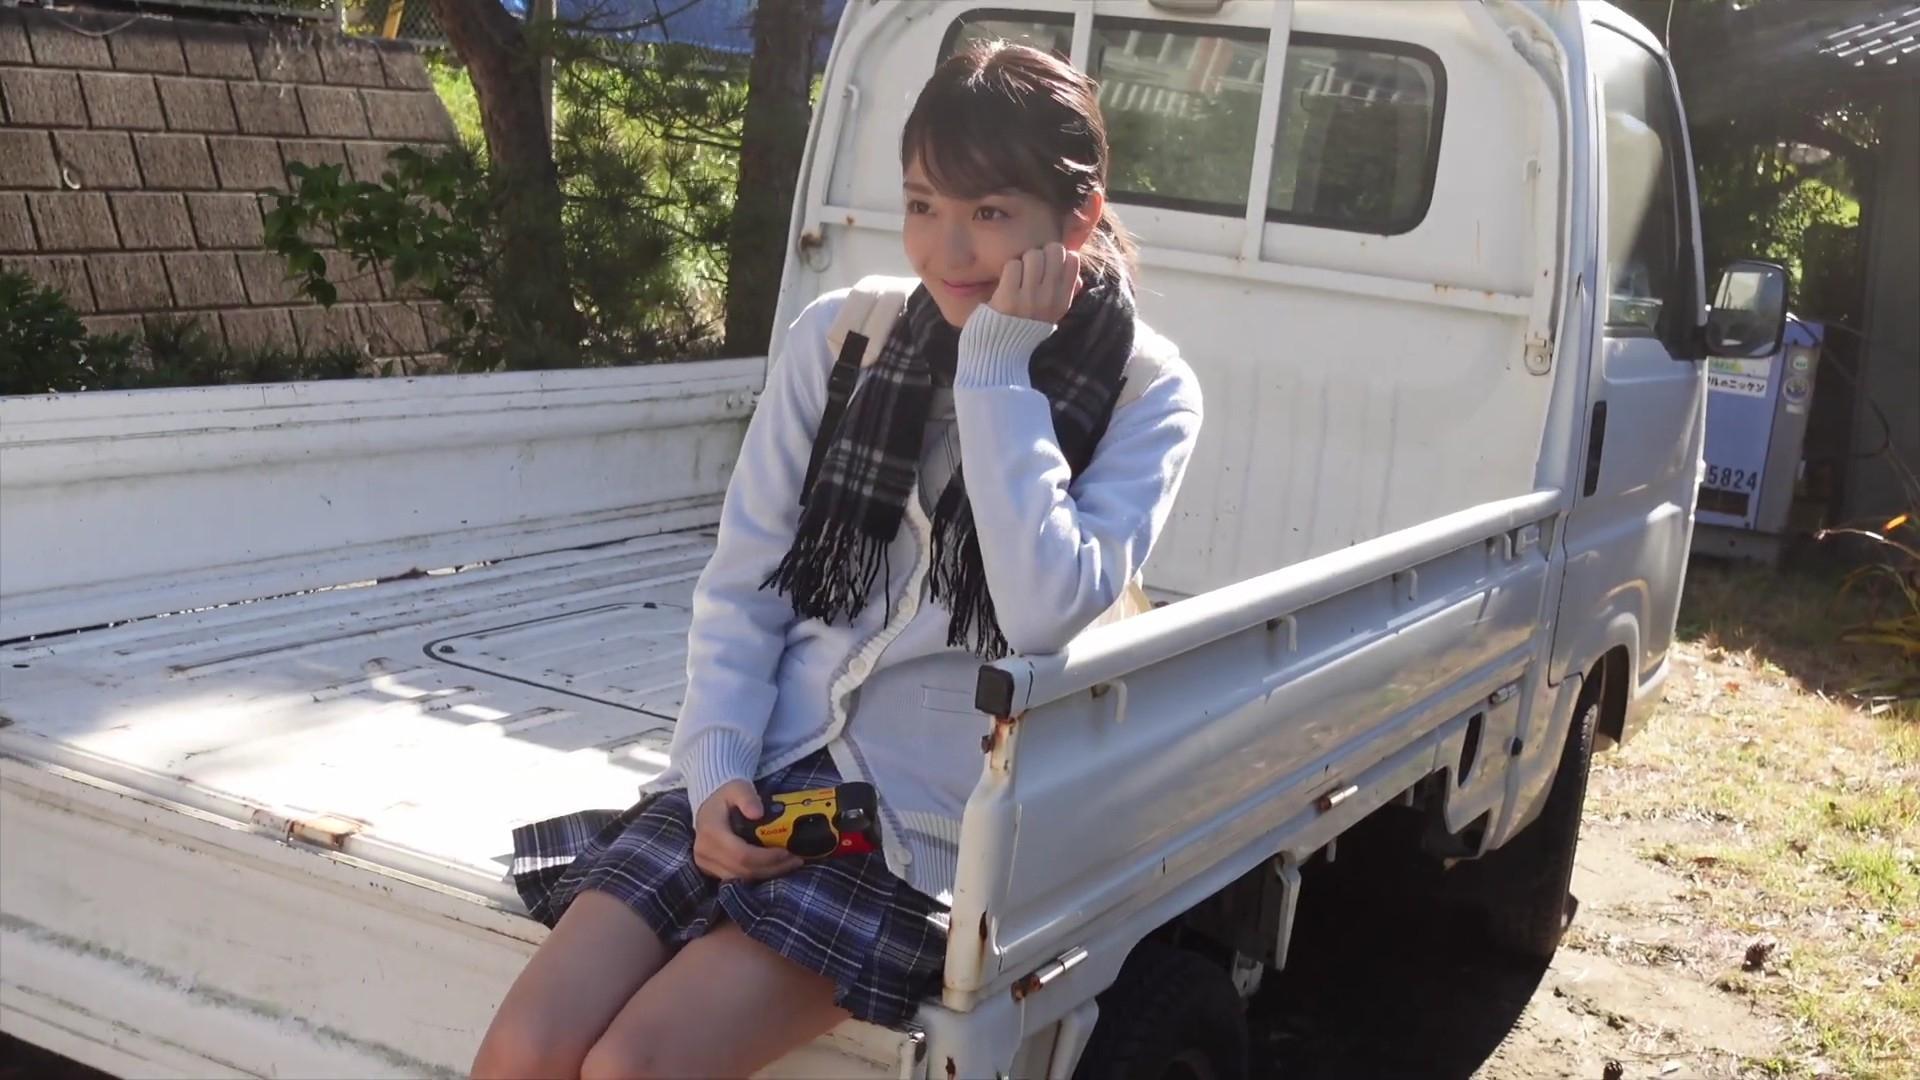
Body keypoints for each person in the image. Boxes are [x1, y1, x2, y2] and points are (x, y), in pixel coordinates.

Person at [471, 40, 1203, 1080]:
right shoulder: (845, 338)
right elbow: (747, 583)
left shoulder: (1145, 389)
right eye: (922, 205)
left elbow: (1046, 611)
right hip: (760, 771)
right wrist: (717, 769)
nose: (947, 247)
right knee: (525, 1049)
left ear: (1076, 219)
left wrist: (998, 370)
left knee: (632, 1067)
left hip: (910, 827)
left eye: (990, 213)